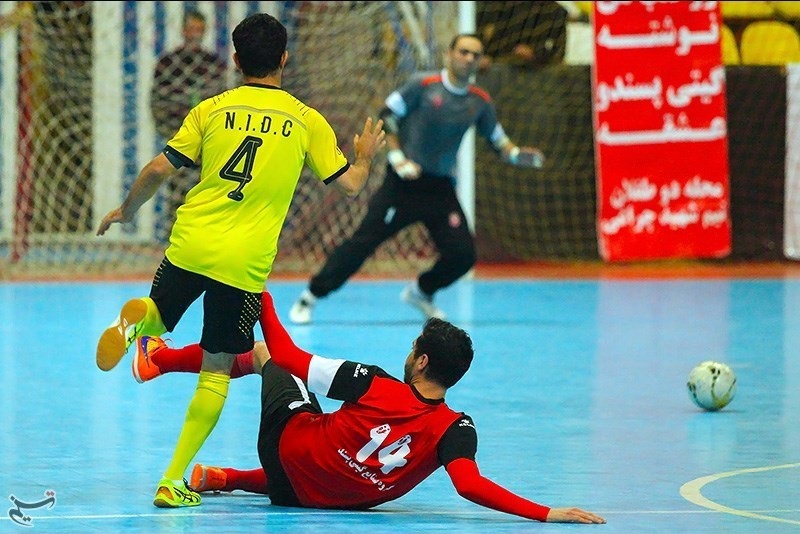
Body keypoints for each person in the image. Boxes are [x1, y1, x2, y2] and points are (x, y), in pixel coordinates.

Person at [94, 13, 386, 508]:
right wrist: (363, 156)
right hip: (244, 262)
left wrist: (127, 210)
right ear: (284, 59)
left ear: (235, 60)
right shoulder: (306, 120)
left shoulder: (211, 109)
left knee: (161, 318)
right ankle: (171, 480)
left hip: (191, 240)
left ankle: (143, 320)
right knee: (217, 369)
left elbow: (158, 168)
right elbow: (352, 186)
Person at [131, 291, 606, 524]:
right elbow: (469, 485)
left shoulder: (375, 383)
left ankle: (157, 361)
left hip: (283, 452)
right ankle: (228, 478)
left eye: (414, 347)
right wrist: (547, 513)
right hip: (309, 496)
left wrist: (264, 301)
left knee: (262, 353)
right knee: (329, 463)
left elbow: (290, 357)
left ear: (421, 361)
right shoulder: (457, 428)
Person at [288, 33, 545, 325]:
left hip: (440, 189)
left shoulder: (480, 101)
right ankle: (310, 295)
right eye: (463, 52)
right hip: (403, 185)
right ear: (449, 55)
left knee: (463, 255)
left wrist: (517, 155)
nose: (469, 58)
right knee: (363, 243)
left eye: (475, 54)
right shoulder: (422, 85)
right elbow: (387, 115)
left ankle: (422, 291)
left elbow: (500, 142)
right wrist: (398, 157)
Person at [150, 9, 228, 241]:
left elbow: (225, 102)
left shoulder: (213, 64)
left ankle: (206, 237)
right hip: (180, 136)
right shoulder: (167, 64)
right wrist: (169, 133)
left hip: (208, 140)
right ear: (183, 30)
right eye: (191, 29)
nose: (195, 34)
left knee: (208, 190)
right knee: (178, 189)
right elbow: (157, 102)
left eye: (199, 30)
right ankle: (174, 236)